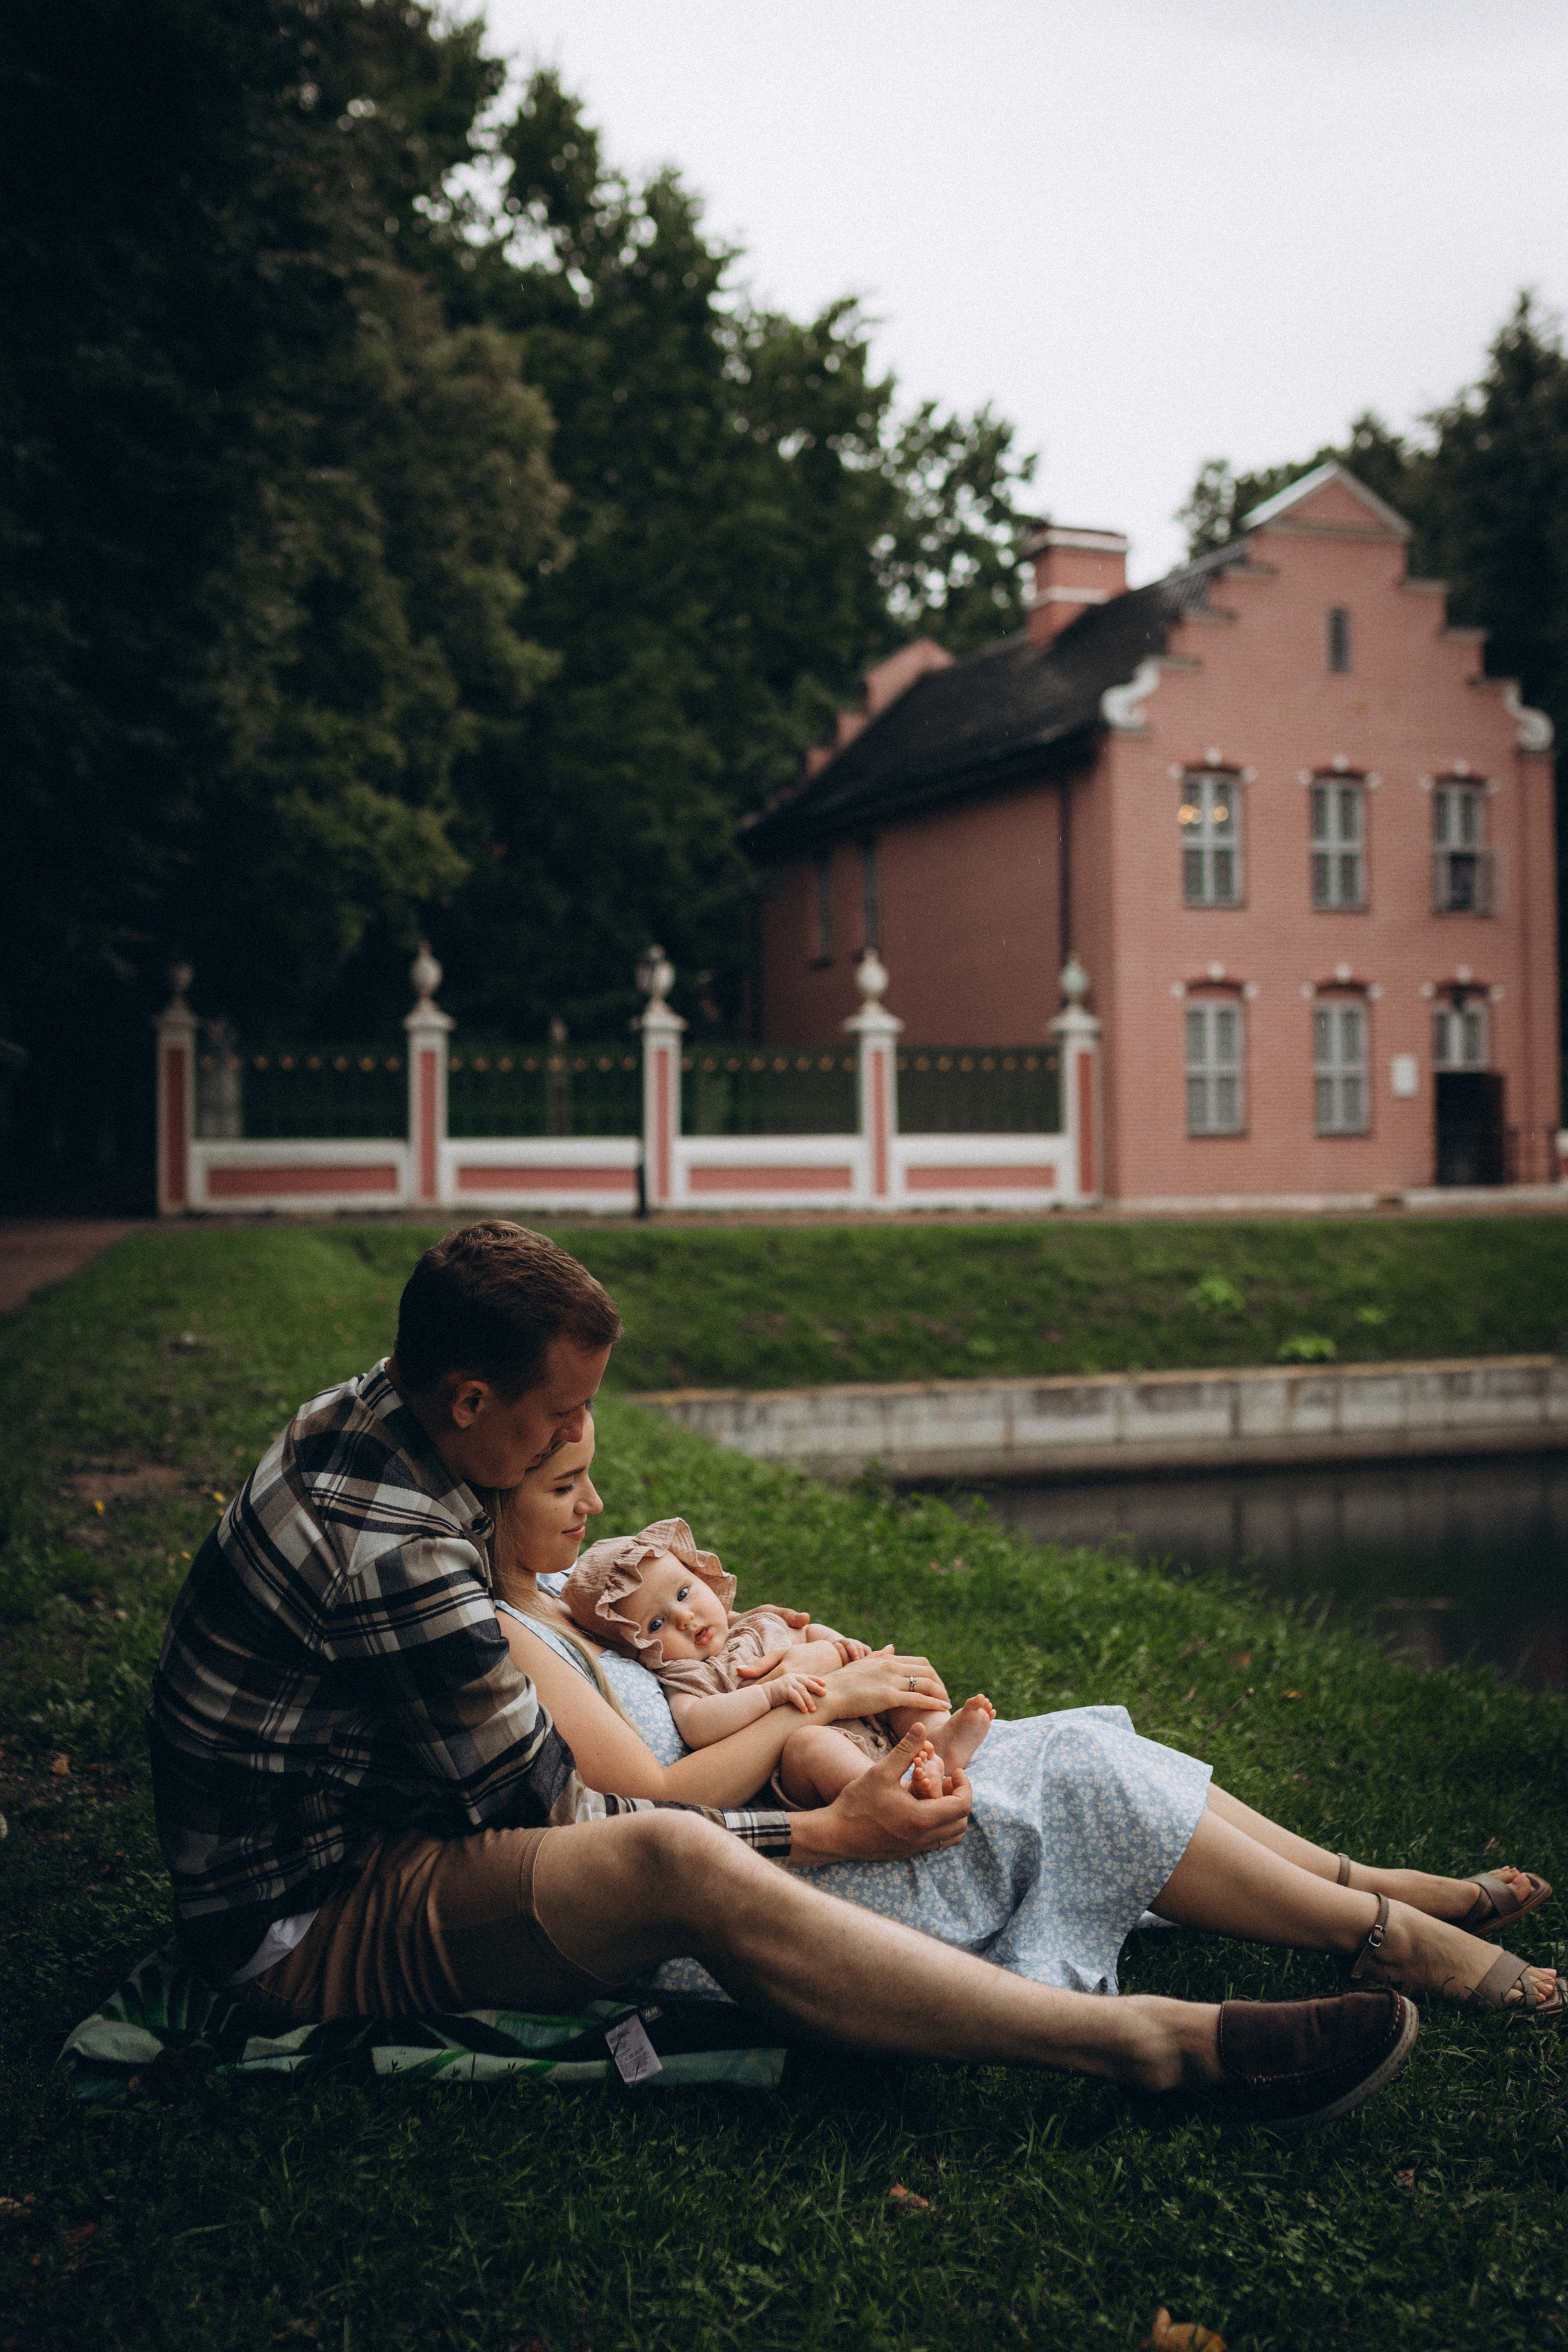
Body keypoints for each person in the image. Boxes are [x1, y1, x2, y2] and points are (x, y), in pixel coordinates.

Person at [141, 1223, 1554, 2143]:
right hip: (307, 1922)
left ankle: (1342, 1919)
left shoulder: (390, 1411)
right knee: (665, 1862)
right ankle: (1149, 2047)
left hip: (375, 1824)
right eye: (562, 1418)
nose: (583, 1441)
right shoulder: (406, 1566)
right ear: (467, 1399)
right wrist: (824, 1824)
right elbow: (571, 1826)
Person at [559, 1518, 996, 1805]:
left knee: (897, 1683)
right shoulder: (687, 1675)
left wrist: (846, 1647)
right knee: (811, 1746)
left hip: (867, 1719)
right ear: (639, 1651)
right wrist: (767, 1694)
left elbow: (812, 1634)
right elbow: (696, 1724)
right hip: (811, 1761)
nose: (685, 1618)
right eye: (656, 1625)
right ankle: (892, 1794)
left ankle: (939, 1741)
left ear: (702, 1577)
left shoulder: (758, 1624)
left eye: (684, 1593)